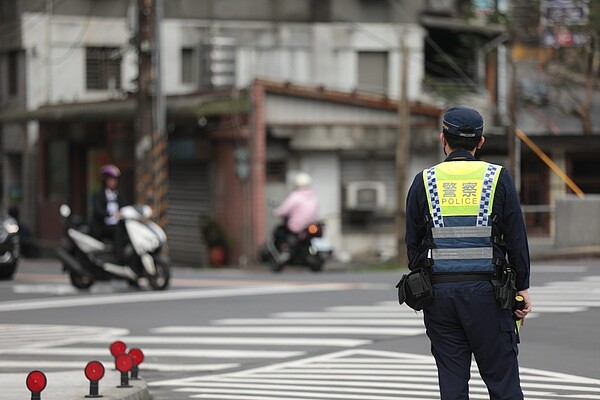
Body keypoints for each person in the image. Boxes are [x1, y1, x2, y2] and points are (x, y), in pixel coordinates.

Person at [405, 106, 532, 400]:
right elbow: (516, 239)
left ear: (442, 139)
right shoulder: (498, 177)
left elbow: (412, 245)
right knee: (503, 383)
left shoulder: (424, 180)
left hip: (439, 297)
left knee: (452, 385)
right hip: (489, 294)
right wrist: (522, 287)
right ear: (481, 141)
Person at [273, 172, 319, 261]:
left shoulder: (295, 196)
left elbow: (285, 209)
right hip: (311, 225)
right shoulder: (313, 196)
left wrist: (277, 212)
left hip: (296, 225)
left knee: (281, 233)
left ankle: (285, 251)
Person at [91, 164, 123, 249]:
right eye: (111, 179)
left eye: (115, 180)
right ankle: (118, 258)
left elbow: (125, 206)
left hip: (117, 224)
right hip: (102, 227)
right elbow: (98, 210)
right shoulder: (99, 194)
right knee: (117, 231)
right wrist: (111, 214)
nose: (113, 182)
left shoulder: (118, 194)